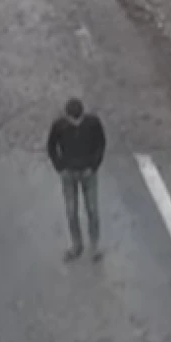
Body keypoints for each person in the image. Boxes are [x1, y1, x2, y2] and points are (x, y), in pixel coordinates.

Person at [46, 98, 107, 261]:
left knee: (92, 210)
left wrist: (93, 167)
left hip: (88, 173)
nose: (76, 123)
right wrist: (60, 168)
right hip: (69, 174)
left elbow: (101, 144)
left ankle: (94, 246)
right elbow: (51, 147)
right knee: (71, 212)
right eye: (73, 120)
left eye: (79, 119)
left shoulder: (93, 124)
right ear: (67, 117)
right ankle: (76, 244)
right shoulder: (59, 126)